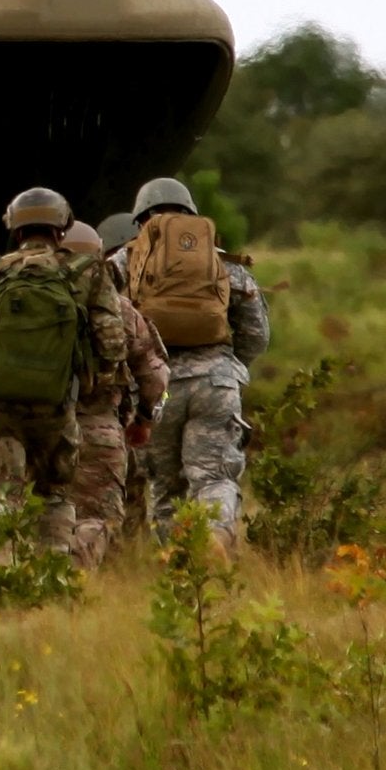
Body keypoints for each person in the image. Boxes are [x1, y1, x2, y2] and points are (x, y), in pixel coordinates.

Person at [0, 187, 150, 566]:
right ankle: (54, 578)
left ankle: (1, 580)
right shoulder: (87, 274)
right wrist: (81, 385)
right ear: (62, 229)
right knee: (55, 496)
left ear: (15, 231)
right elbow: (113, 346)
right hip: (57, 410)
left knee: (0, 500)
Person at [121, 174, 269, 541]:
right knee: (214, 477)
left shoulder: (123, 263)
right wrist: (228, 368)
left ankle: (177, 564)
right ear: (191, 213)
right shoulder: (226, 265)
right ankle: (216, 540)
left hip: (157, 391)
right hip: (216, 381)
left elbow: (105, 328)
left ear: (140, 219)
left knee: (164, 486)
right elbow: (256, 333)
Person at [58, 218, 167, 545]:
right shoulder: (121, 309)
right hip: (100, 427)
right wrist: (146, 418)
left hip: (36, 429)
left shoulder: (29, 301)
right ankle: (84, 577)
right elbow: (157, 377)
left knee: (44, 514)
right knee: (98, 518)